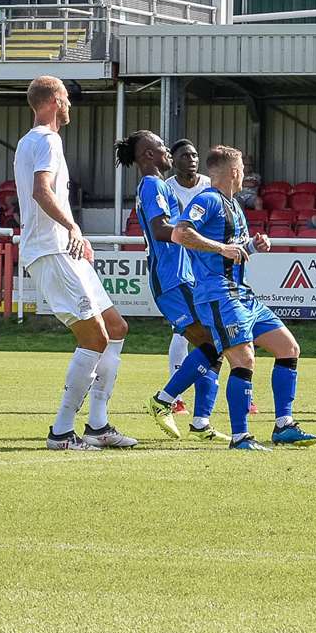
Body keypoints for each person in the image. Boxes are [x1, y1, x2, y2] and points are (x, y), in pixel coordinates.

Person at [146, 145, 316, 451]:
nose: (246, 177)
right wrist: (221, 248)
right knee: (243, 358)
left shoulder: (234, 206)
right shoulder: (208, 200)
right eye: (243, 170)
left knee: (288, 347)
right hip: (218, 294)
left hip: (243, 294)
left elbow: (233, 249)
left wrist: (252, 246)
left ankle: (284, 426)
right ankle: (240, 437)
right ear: (235, 172)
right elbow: (181, 233)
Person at [12, 76, 135, 451]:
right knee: (94, 336)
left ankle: (97, 425)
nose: (70, 106)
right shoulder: (46, 140)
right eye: (65, 99)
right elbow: (41, 190)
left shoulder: (34, 141)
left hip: (63, 249)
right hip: (51, 248)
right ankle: (62, 431)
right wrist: (73, 226)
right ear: (52, 102)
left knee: (116, 327)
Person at [116, 131, 223, 440]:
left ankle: (201, 422)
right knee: (213, 343)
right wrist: (202, 240)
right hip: (172, 279)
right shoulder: (153, 185)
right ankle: (164, 400)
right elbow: (160, 229)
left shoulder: (158, 185)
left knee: (213, 344)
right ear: (148, 155)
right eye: (161, 146)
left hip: (182, 276)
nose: (166, 150)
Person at [161, 138, 208, 414]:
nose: (191, 159)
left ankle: (242, 393)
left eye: (194, 154)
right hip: (180, 267)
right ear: (174, 160)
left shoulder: (209, 186)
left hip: (208, 265)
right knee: (183, 331)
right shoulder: (166, 189)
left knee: (221, 328)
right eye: (185, 155)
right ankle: (176, 397)